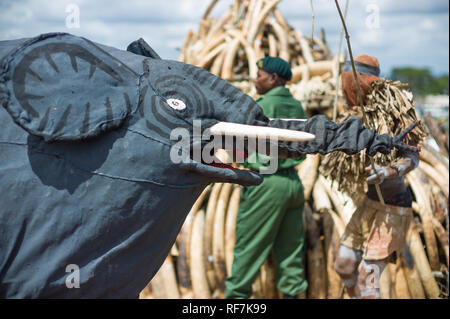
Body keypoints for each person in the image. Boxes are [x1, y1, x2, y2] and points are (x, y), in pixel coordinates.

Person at [332, 54, 426, 299]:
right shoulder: (355, 115)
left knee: (368, 279)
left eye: (350, 82)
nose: (346, 88)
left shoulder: (395, 110)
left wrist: (387, 171)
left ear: (362, 81)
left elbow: (412, 157)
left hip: (393, 208)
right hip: (368, 205)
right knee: (343, 267)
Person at [224, 56, 308, 299]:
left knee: (248, 252)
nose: (255, 79)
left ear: (273, 78)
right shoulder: (297, 106)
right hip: (293, 183)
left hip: (265, 184)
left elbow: (240, 146)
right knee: (290, 254)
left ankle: (235, 300)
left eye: (259, 75)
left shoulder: (260, 106)